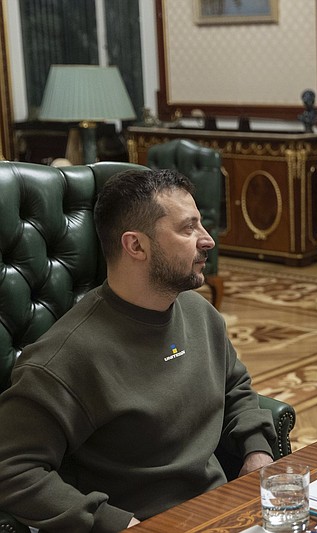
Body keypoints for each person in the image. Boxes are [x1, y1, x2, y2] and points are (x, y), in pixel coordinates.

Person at [0, 169, 276, 531]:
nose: (207, 240)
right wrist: (116, 524)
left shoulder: (199, 312)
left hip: (222, 512)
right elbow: (12, 470)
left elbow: (235, 389)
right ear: (136, 246)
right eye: (187, 228)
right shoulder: (63, 359)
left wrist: (257, 451)